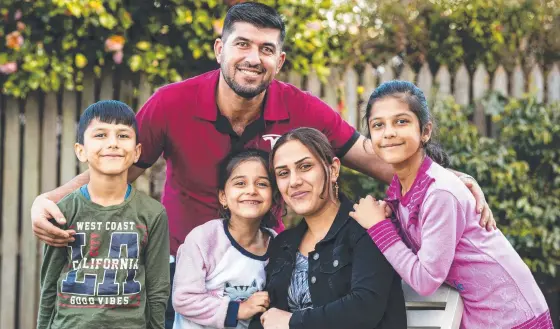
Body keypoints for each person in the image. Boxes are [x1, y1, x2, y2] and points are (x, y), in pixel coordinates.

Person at [30, 2, 494, 328]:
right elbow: (110, 172)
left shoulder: (302, 109)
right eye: (243, 45)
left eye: (267, 49)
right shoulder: (170, 104)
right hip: (185, 262)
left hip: (262, 263)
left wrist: (448, 179)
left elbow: (373, 159)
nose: (254, 58)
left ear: (280, 59)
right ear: (220, 49)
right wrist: (47, 201)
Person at [350, 81, 553, 329]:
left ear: (425, 131)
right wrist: (390, 217)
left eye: (401, 121)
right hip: (480, 316)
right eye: (378, 125)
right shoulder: (404, 189)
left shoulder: (439, 193)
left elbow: (425, 280)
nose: (389, 132)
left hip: (512, 316)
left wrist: (379, 226)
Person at [249, 127, 406, 329]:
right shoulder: (283, 244)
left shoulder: (368, 227)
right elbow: (266, 316)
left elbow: (365, 307)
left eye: (305, 167)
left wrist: (292, 321)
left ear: (333, 170)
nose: (294, 181)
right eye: (283, 173)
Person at [36, 100, 170, 329]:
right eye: (100, 135)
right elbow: (49, 284)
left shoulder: (153, 214)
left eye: (123, 136)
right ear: (81, 151)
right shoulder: (63, 211)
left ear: (137, 151)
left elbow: (158, 290)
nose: (113, 144)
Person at [172, 149, 276, 329]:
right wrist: (237, 310)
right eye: (240, 183)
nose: (251, 190)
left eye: (262, 184)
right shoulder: (204, 239)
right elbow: (183, 299)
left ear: (273, 196)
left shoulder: (277, 245)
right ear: (223, 197)